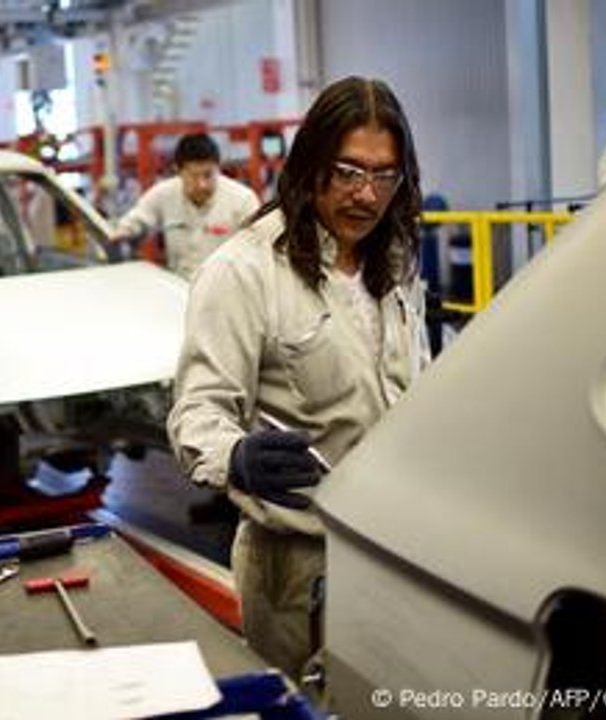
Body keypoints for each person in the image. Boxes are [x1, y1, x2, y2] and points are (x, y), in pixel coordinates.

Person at [167, 76, 431, 680]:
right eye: (348, 172)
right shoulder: (243, 272)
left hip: (397, 553)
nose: (367, 195)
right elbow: (197, 412)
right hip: (298, 573)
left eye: (385, 176)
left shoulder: (392, 263)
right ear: (310, 162)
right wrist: (235, 456)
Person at [111, 132, 259, 279]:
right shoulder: (164, 194)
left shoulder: (243, 200)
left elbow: (260, 250)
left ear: (218, 168)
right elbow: (138, 218)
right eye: (194, 176)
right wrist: (122, 232)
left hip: (225, 290)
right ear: (178, 171)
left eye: (208, 175)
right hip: (180, 287)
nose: (202, 184)